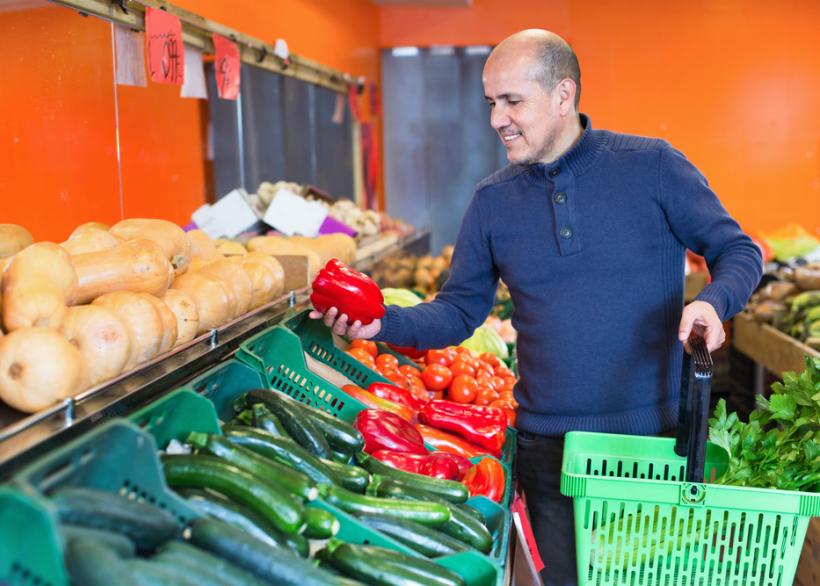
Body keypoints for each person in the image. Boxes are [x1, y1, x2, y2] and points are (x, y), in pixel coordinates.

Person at [312, 29, 762, 585]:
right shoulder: (491, 202)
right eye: (491, 103)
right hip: (550, 455)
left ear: (563, 95)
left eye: (512, 101)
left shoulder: (653, 167)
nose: (497, 118)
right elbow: (458, 311)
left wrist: (714, 304)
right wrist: (383, 322)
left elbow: (737, 249)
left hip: (653, 446)